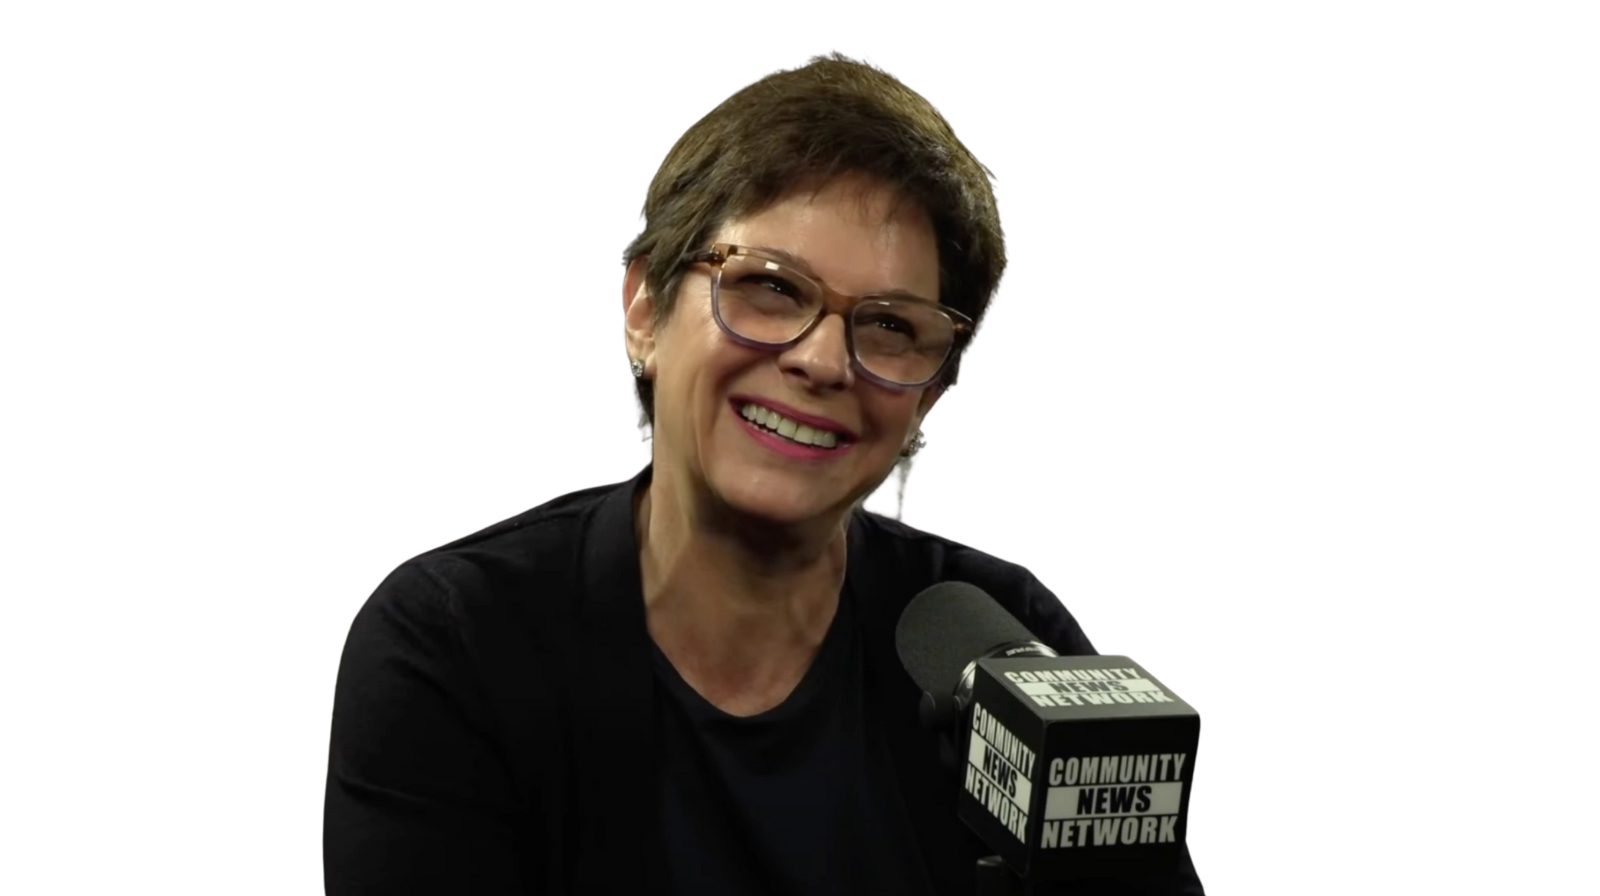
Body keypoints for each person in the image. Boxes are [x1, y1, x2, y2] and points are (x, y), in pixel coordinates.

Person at [324, 50, 1205, 895]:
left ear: (929, 395)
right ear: (643, 310)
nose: (825, 362)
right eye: (772, 287)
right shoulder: (455, 639)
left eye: (893, 326)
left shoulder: (1011, 635)